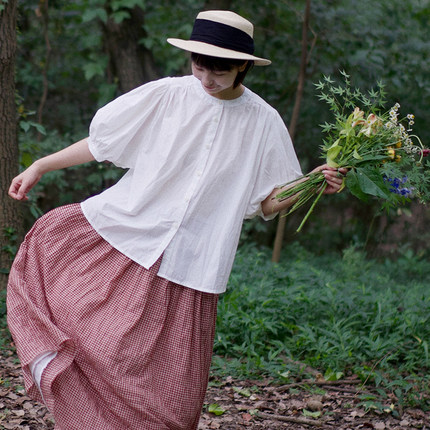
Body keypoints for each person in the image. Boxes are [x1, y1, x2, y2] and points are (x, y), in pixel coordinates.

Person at [7, 10, 345, 430]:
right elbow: (102, 143)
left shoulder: (263, 121)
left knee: (174, 400)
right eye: (198, 64)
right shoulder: (168, 95)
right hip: (126, 237)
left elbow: (267, 202)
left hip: (193, 266)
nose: (205, 77)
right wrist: (41, 164)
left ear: (243, 65)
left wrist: (311, 184)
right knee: (89, 342)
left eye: (219, 68)